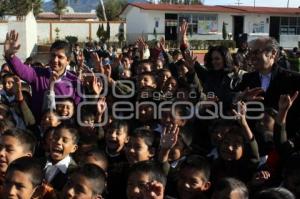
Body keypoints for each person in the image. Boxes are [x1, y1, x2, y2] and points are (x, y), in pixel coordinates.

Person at [4, 30, 82, 121]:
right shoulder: (38, 74)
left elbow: (78, 109)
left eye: (60, 57)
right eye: (53, 55)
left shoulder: (74, 82)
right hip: (40, 128)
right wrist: (10, 55)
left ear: (68, 60)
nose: (55, 60)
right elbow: (21, 70)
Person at [42, 123, 78, 191]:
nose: (58, 142)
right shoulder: (38, 163)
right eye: (55, 138)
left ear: (74, 148)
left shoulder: (74, 173)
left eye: (65, 140)